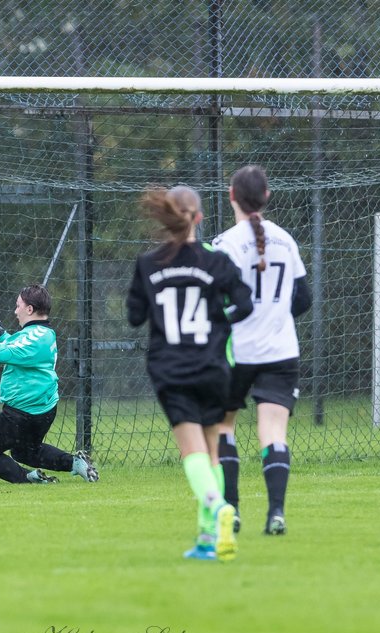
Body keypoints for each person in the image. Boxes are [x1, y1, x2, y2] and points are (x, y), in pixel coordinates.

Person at [127, 185, 254, 561]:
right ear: (199, 218)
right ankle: (206, 539)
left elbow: (135, 317)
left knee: (191, 451)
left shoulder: (149, 264)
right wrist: (220, 322)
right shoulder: (216, 262)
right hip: (214, 367)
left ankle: (217, 507)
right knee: (212, 450)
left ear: (167, 217)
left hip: (171, 369)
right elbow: (245, 304)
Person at [211, 165, 312, 536]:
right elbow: (303, 298)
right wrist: (275, 317)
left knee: (223, 427)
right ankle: (276, 514)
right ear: (266, 196)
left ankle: (232, 512)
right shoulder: (286, 240)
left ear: (232, 195)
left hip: (236, 352)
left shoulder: (224, 244)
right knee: (273, 433)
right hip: (281, 350)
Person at [0, 286, 98, 485]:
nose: (15, 311)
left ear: (30, 309)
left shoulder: (34, 338)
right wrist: (1, 333)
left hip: (20, 415)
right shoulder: (41, 333)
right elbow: (18, 348)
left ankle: (27, 478)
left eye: (18, 306)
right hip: (43, 411)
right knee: (25, 452)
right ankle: (76, 463)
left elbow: (2, 354)